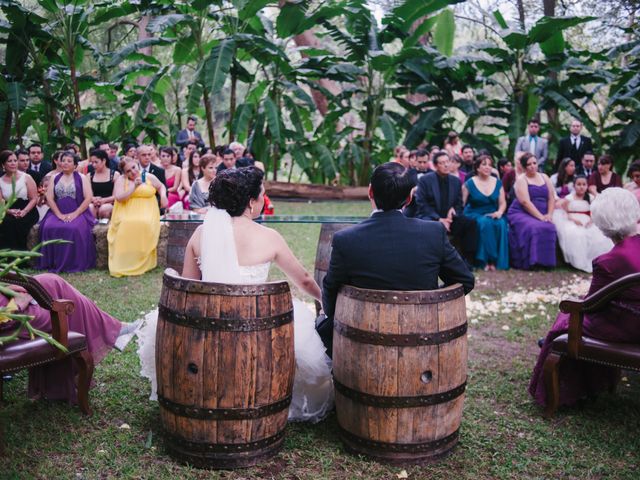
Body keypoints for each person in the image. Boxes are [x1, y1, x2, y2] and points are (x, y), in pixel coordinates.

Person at [136, 167, 333, 423]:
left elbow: (188, 287)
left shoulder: (200, 234)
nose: (263, 199)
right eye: (262, 195)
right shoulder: (269, 237)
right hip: (258, 329)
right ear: (251, 203)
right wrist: (322, 301)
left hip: (207, 327)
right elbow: (304, 280)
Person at [319, 162, 474, 356]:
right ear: (409, 198)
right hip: (422, 338)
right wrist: (431, 301)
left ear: (370, 192)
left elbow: (331, 293)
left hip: (364, 341)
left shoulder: (346, 239)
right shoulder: (433, 232)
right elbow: (465, 280)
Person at [529, 188, 640, 409]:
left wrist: (573, 306)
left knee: (567, 316)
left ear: (602, 223)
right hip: (633, 314)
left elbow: (590, 305)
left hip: (630, 326)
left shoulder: (608, 260)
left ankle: (560, 387)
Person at [0, 273, 137, 405]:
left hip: (7, 303)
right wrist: (16, 306)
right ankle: (112, 330)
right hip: (12, 319)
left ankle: (112, 328)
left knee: (50, 281)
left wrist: (9, 288)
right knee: (61, 306)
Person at [415, 151, 479, 267]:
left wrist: (454, 210)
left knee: (470, 223)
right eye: (442, 163)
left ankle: (468, 261)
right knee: (428, 223)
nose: (446, 165)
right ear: (435, 166)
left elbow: (459, 204)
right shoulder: (425, 180)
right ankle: (429, 260)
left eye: (447, 162)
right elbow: (422, 204)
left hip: (450, 218)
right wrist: (439, 219)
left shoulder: (456, 181)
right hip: (432, 217)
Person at [37, 151, 96, 273]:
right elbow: (50, 198)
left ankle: (72, 263)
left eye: (69, 161)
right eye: (63, 160)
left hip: (78, 212)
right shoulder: (54, 178)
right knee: (49, 227)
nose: (65, 163)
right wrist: (58, 214)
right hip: (57, 211)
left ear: (75, 165)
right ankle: (52, 262)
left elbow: (88, 198)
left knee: (73, 228)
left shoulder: (82, 178)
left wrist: (75, 214)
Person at [107, 158, 167, 277]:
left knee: (143, 223)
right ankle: (125, 260)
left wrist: (163, 196)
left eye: (134, 167)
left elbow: (161, 186)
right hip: (127, 210)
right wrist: (134, 186)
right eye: (128, 171)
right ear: (124, 173)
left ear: (137, 164)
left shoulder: (148, 176)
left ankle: (142, 257)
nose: (133, 172)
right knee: (126, 223)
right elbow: (119, 197)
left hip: (148, 209)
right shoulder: (121, 180)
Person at [507, 153, 557, 270]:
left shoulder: (544, 177)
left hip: (543, 211)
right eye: (529, 164)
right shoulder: (521, 179)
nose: (532, 166)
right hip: (521, 212)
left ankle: (547, 263)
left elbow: (551, 197)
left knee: (550, 227)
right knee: (536, 227)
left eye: (534, 163)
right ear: (524, 167)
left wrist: (549, 214)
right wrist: (540, 217)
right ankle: (534, 262)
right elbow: (525, 202)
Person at [552, 176, 613, 273]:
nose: (581, 187)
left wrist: (591, 220)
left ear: (587, 186)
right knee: (577, 235)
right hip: (573, 220)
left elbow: (594, 212)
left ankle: (597, 261)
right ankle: (580, 262)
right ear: (574, 186)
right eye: (579, 184)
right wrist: (572, 219)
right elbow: (564, 211)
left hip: (588, 221)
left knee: (599, 236)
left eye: (584, 184)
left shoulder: (591, 198)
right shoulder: (569, 198)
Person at [462, 155, 509, 271]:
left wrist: (499, 212)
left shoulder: (498, 182)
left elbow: (503, 203)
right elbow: (461, 204)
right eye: (484, 164)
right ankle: (485, 261)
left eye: (489, 165)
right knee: (484, 223)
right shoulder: (469, 183)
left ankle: (497, 262)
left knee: (501, 223)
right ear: (477, 168)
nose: (487, 167)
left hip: (493, 212)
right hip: (474, 213)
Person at [0, 150, 39, 250]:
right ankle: (9, 257)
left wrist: (24, 211)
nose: (13, 163)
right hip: (8, 209)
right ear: (3, 164)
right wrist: (9, 211)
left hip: (28, 209)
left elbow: (34, 198)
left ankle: (22, 257)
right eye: (9, 161)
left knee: (19, 224)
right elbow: (1, 202)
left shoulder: (27, 177)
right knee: (7, 223)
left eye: (15, 160)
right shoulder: (0, 180)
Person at [89, 149, 119, 220]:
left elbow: (116, 196)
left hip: (109, 203)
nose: (94, 165)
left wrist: (103, 200)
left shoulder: (115, 175)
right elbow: (88, 195)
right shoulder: (89, 176)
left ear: (104, 161)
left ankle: (105, 229)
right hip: (95, 203)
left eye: (96, 162)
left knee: (104, 209)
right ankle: (91, 228)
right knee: (90, 207)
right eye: (92, 162)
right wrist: (94, 200)